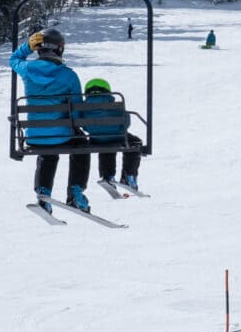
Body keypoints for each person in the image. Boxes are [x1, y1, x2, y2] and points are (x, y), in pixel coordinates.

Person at [9, 28, 91, 213]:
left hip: (34, 137)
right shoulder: (69, 75)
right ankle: (75, 191)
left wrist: (26, 47)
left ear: (39, 49)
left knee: (47, 152)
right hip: (61, 136)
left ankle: (43, 192)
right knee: (81, 145)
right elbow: (77, 111)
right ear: (60, 50)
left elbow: (13, 60)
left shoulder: (28, 69)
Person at [82, 78, 142, 191]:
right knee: (135, 142)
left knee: (105, 144)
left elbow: (83, 125)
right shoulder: (114, 105)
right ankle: (129, 175)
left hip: (96, 139)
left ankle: (107, 175)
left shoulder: (84, 108)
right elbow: (126, 122)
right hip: (117, 136)